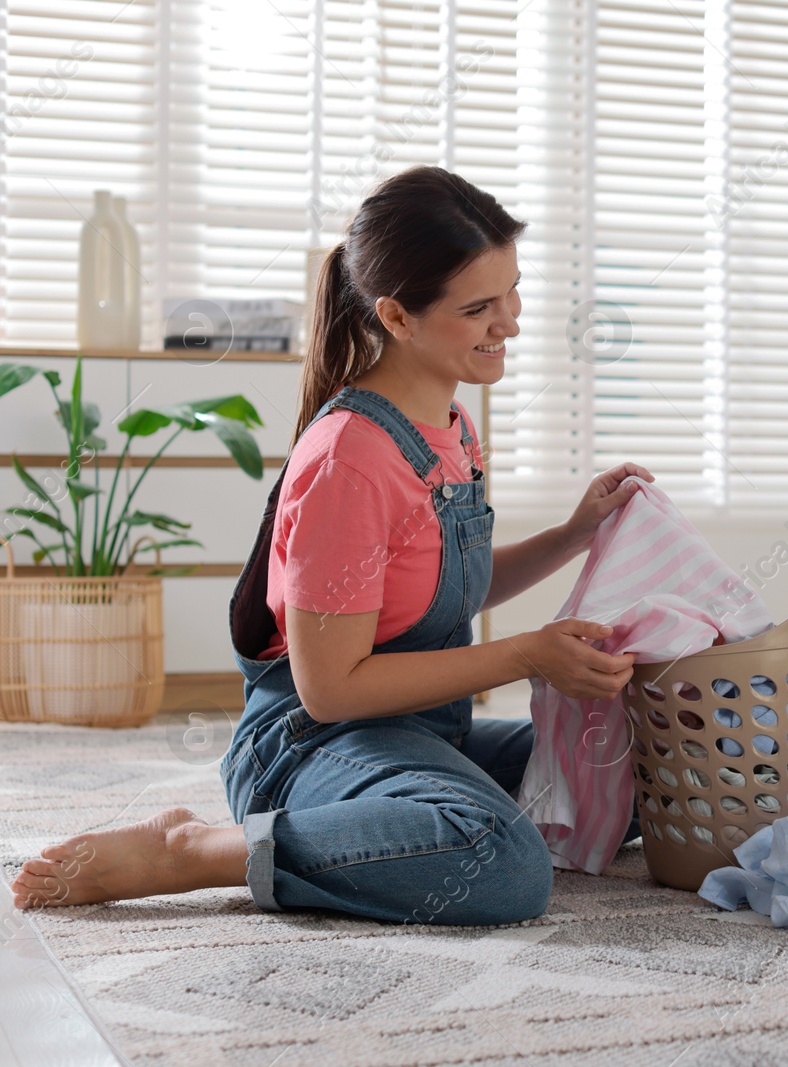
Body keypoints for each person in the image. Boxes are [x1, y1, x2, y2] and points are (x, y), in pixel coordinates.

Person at [10, 166, 651, 925]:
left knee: (643, 761)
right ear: (397, 316)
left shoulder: (453, 427)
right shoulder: (349, 458)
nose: (508, 321)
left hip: (418, 732)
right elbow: (332, 688)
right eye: (478, 307)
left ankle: (412, 825)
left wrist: (572, 534)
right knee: (503, 862)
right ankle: (197, 849)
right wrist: (523, 654)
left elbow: (444, 590)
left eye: (511, 292)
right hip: (311, 746)